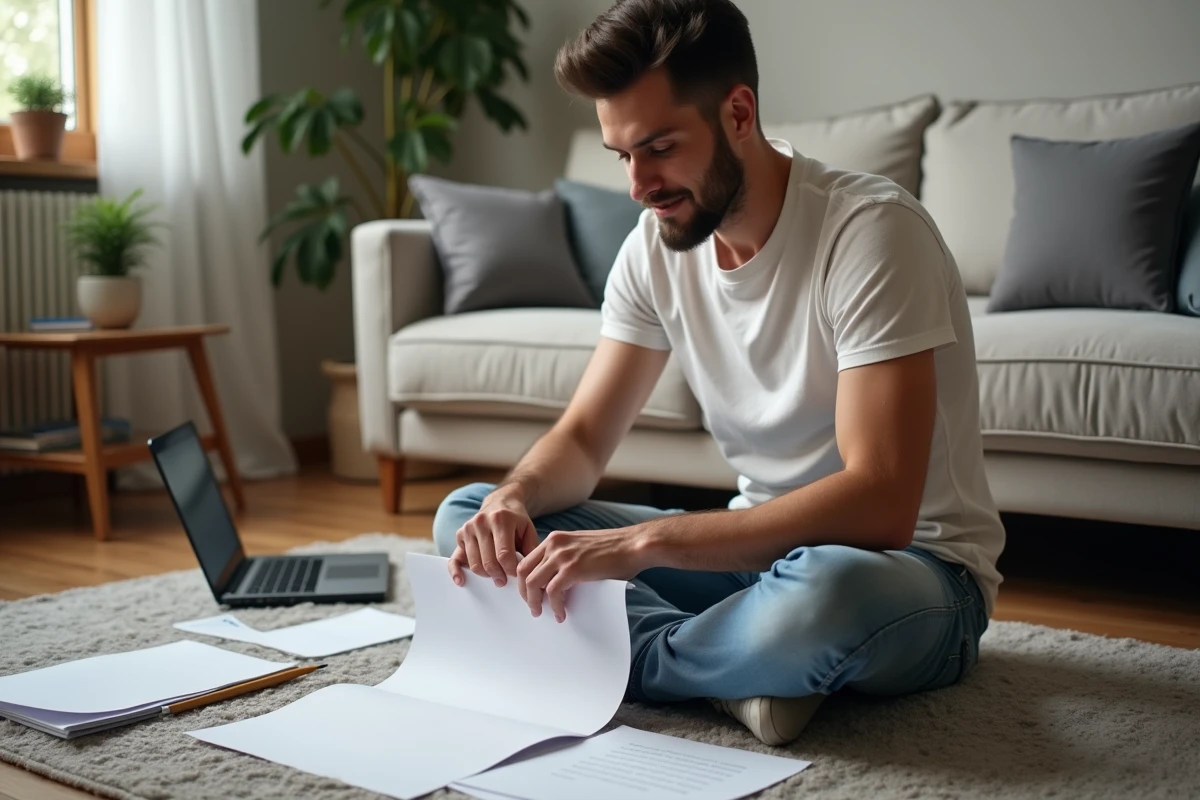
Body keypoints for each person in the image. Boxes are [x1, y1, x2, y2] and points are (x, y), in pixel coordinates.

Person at [432, 0, 1005, 746]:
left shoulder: (870, 233)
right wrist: (511, 499)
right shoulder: (653, 247)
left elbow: (881, 503)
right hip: (747, 556)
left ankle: (651, 657)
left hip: (912, 572)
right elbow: (581, 439)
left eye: (660, 147)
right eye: (622, 156)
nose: (638, 183)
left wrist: (642, 547)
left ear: (739, 112)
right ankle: (737, 671)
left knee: (823, 598)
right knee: (470, 518)